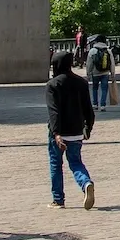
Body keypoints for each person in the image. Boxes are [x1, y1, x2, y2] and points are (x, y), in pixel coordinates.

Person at [45, 49, 96, 209]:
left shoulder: (53, 84)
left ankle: (58, 199)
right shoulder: (81, 82)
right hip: (76, 132)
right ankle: (86, 183)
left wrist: (56, 133)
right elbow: (89, 108)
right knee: (75, 162)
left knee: (56, 164)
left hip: (60, 132)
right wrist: (88, 127)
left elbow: (53, 111)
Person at [85, 33, 115, 108]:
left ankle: (95, 104)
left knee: (95, 88)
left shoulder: (92, 51)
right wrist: (112, 74)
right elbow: (112, 63)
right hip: (105, 72)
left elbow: (89, 64)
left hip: (95, 73)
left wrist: (88, 73)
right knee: (104, 89)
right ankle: (103, 105)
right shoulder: (108, 50)